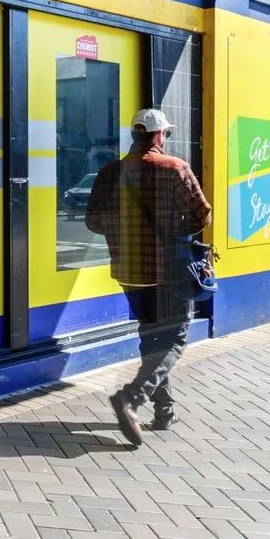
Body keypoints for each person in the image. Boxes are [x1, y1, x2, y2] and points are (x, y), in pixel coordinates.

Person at [84, 108, 212, 446]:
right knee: (174, 338)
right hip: (168, 270)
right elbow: (203, 215)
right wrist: (173, 231)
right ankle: (132, 397)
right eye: (165, 134)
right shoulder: (175, 168)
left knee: (152, 336)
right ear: (158, 136)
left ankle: (165, 409)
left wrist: (122, 234)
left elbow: (92, 220)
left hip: (129, 270)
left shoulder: (109, 173)